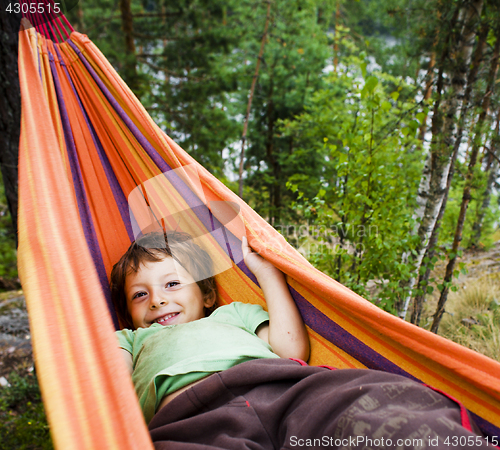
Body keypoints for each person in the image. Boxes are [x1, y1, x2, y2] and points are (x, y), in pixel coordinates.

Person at [111, 231, 493, 450]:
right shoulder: (130, 339)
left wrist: (267, 274)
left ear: (208, 295)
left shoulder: (233, 314)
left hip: (284, 392)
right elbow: (105, 385)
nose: (158, 299)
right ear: (128, 314)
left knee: (376, 407)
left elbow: (291, 349)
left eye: (172, 284)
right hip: (192, 421)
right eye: (139, 295)